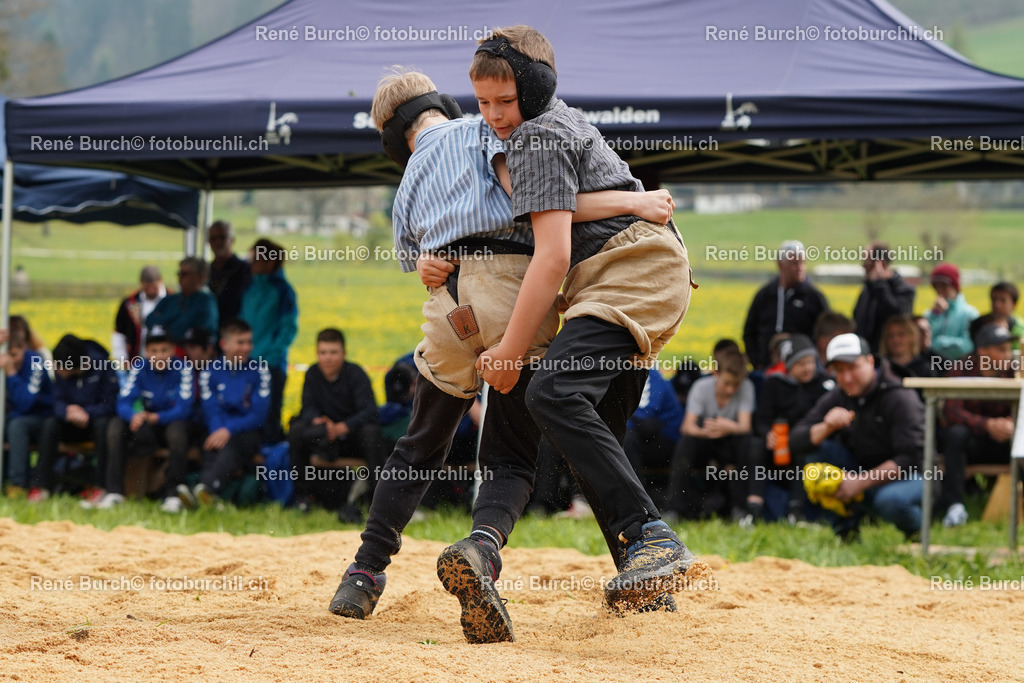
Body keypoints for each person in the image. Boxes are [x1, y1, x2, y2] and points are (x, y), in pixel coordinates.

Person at [328, 66, 680, 638]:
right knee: (512, 453)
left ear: (393, 137)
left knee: (419, 443)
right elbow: (544, 203)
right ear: (441, 101)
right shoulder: (488, 130)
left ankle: (363, 574)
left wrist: (432, 263)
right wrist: (631, 202)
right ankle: (484, 549)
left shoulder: (411, 175)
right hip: (514, 291)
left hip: (449, 302)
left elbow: (416, 259)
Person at [469, 25, 704, 625]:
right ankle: (647, 580)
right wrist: (632, 199)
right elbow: (571, 202)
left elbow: (550, 255)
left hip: (627, 270)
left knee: (553, 391)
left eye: (505, 100)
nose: (494, 115)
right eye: (482, 102)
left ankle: (652, 535)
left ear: (535, 87)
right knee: (594, 433)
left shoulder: (536, 137)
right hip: (631, 266)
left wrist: (509, 352)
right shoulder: (547, 123)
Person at [790, 334, 926, 541]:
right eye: (839, 371)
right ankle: (846, 534)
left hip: (912, 475)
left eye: (853, 367)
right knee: (816, 454)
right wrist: (826, 427)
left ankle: (917, 532)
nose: (846, 378)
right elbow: (795, 441)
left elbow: (911, 457)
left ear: (870, 361)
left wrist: (860, 483)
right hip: (860, 474)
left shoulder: (899, 396)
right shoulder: (840, 395)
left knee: (891, 500)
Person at [94, 332, 192, 511]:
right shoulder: (139, 367)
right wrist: (134, 415)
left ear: (173, 351)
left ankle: (173, 494)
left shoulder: (183, 368)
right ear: (146, 352)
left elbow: (184, 409)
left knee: (177, 432)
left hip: (169, 423)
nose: (160, 356)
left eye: (164, 350)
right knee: (116, 426)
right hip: (145, 424)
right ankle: (114, 492)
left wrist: (158, 418)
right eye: (154, 351)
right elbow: (123, 401)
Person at [743, 334, 832, 525]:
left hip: (807, 443)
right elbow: (761, 419)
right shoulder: (775, 384)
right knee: (755, 446)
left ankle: (796, 511)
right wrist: (768, 434)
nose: (807, 367)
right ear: (789, 366)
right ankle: (753, 510)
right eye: (801, 363)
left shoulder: (825, 385)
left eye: (810, 362)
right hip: (778, 444)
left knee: (803, 448)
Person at [288, 328, 378, 515]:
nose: (328, 358)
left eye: (333, 352)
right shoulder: (312, 373)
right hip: (323, 437)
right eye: (323, 353)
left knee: (371, 432)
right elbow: (307, 407)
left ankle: (377, 497)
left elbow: (369, 411)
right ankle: (303, 496)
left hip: (352, 438)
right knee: (297, 429)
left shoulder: (356, 373)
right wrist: (318, 421)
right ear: (317, 353)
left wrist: (343, 427)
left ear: (343, 353)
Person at [182, 318, 270, 506]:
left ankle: (206, 489)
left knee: (237, 442)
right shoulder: (209, 373)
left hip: (248, 431)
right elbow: (211, 409)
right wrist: (219, 431)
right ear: (224, 344)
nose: (246, 348)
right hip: (218, 429)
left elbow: (258, 415)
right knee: (209, 442)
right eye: (240, 342)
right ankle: (210, 496)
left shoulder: (260, 370)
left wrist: (228, 430)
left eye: (249, 342)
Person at [938, 323, 1017, 527]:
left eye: (1009, 349)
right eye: (1001, 349)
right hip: (971, 445)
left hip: (1006, 443)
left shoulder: (1015, 372)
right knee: (955, 434)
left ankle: (1018, 504)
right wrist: (988, 425)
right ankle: (954, 507)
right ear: (982, 351)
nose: (1008, 355)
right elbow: (951, 412)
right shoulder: (960, 369)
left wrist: (1010, 424)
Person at [665, 348, 755, 520]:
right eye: (727, 383)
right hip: (705, 440)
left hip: (732, 443)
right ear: (715, 373)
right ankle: (673, 509)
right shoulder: (700, 387)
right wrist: (705, 431)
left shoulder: (747, 387)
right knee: (686, 443)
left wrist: (728, 427)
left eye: (736, 385)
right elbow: (687, 427)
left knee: (748, 442)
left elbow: (745, 427)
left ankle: (740, 509)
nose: (731, 390)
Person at [30, 335, 119, 502]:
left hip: (94, 423)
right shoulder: (61, 369)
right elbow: (56, 399)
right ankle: (41, 487)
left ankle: (100, 487)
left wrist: (87, 413)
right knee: (50, 424)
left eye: (60, 367)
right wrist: (67, 410)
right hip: (70, 422)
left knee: (104, 426)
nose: (57, 369)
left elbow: (110, 403)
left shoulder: (103, 367)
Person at [240, 238, 298, 444]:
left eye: (254, 259)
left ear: (269, 262)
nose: (250, 263)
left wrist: (272, 357)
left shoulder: (283, 291)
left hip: (271, 366)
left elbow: (289, 327)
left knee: (270, 421)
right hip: (246, 364)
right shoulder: (250, 289)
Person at [742, 240, 829, 371]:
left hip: (803, 370)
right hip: (767, 368)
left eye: (802, 262)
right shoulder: (765, 295)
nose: (799, 267)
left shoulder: (814, 297)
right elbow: (749, 331)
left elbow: (826, 334)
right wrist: (756, 361)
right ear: (780, 265)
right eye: (794, 263)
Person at [2, 324, 53, 496]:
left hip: (40, 418)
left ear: (24, 348)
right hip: (14, 416)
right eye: (6, 355)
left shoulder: (36, 362)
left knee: (16, 426)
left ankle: (17, 484)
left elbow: (25, 403)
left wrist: (10, 373)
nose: (9, 360)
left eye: (14, 355)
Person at [624, 367, 683, 508]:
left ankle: (637, 503)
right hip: (646, 436)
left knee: (625, 439)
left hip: (667, 441)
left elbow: (645, 422)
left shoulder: (645, 371)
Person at [852, 242, 915, 350]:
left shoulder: (905, 290)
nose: (863, 266)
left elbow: (894, 314)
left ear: (880, 263)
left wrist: (880, 284)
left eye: (866, 261)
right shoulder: (867, 290)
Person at [145, 257, 219, 346]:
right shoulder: (170, 299)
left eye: (184, 274)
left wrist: (164, 322)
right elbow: (149, 320)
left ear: (200, 277)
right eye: (179, 273)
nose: (180, 277)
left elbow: (184, 331)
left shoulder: (206, 302)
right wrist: (174, 320)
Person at [112, 265, 167, 367]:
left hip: (168, 361)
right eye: (147, 288)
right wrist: (121, 358)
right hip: (137, 360)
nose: (150, 291)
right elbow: (119, 333)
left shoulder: (172, 300)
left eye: (154, 288)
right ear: (141, 283)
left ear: (161, 281)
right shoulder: (130, 303)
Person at [924, 263, 978, 360]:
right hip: (933, 368)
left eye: (944, 286)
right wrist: (935, 315)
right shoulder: (929, 314)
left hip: (961, 368)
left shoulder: (970, 314)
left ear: (955, 287)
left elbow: (967, 346)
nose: (940, 291)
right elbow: (923, 344)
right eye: (936, 287)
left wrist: (939, 343)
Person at [207, 220, 252, 322]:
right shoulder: (207, 270)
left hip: (235, 328)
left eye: (222, 237)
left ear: (232, 240)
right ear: (208, 242)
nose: (218, 242)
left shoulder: (245, 269)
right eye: (213, 238)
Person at [878, 314, 934, 379]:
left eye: (901, 334)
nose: (895, 340)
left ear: (912, 337)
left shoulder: (924, 369)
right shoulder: (880, 367)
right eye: (890, 335)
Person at [988, 282, 1024, 352]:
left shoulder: (1021, 329)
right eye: (994, 299)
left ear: (1014, 304)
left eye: (1003, 300)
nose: (997, 304)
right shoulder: (981, 325)